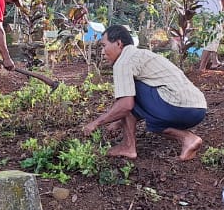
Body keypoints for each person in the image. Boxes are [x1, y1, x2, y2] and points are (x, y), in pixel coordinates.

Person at [81, 24, 207, 161]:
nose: (102, 52)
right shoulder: (141, 54)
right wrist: (119, 122)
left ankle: (128, 147)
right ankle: (188, 138)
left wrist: (96, 123)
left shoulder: (123, 61)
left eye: (104, 46)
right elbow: (146, 101)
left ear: (118, 43)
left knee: (126, 98)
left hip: (176, 107)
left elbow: (126, 105)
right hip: (197, 109)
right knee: (151, 122)